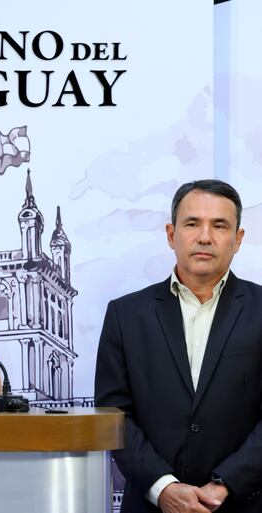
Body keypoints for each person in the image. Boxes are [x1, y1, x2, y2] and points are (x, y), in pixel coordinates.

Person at [95, 179, 262, 513]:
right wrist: (163, 487)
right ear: (171, 235)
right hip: (150, 505)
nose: (204, 236)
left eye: (219, 225)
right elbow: (113, 414)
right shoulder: (126, 315)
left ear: (238, 239)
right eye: (192, 223)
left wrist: (225, 483)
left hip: (245, 504)